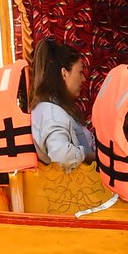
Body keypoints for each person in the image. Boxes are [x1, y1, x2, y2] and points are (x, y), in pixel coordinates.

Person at [26, 37, 95, 169]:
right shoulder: (51, 112)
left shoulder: (53, 109)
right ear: (64, 73)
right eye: (80, 72)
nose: (83, 78)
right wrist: (90, 156)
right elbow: (61, 155)